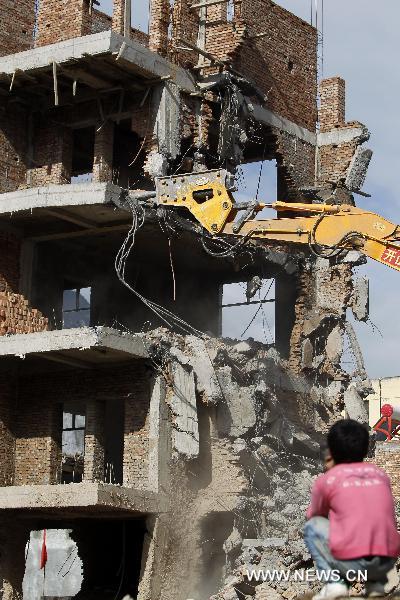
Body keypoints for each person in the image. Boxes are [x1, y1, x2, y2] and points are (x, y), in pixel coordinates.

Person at [304, 419, 400, 599]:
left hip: (350, 559)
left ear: (331, 450)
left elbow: (313, 516)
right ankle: (376, 583)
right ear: (365, 449)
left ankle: (336, 583)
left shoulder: (328, 480)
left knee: (313, 526)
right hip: (388, 557)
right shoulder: (381, 476)